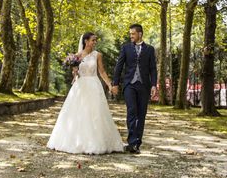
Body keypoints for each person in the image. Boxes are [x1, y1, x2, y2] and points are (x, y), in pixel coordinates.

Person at [47, 32, 123, 154]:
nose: (95, 42)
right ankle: (78, 142)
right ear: (86, 41)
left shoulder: (97, 55)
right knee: (79, 113)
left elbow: (102, 72)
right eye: (93, 40)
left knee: (96, 112)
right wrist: (75, 71)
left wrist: (109, 85)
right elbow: (76, 74)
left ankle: (97, 142)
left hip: (94, 85)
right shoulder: (76, 56)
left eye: (95, 40)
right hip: (80, 86)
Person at [111, 23, 157, 154]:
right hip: (129, 85)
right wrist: (115, 83)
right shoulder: (125, 48)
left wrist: (154, 85)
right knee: (132, 111)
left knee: (141, 115)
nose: (131, 36)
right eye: (130, 34)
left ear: (140, 34)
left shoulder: (149, 49)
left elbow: (153, 69)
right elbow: (119, 66)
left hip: (144, 86)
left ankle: (137, 143)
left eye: (133, 34)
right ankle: (131, 142)